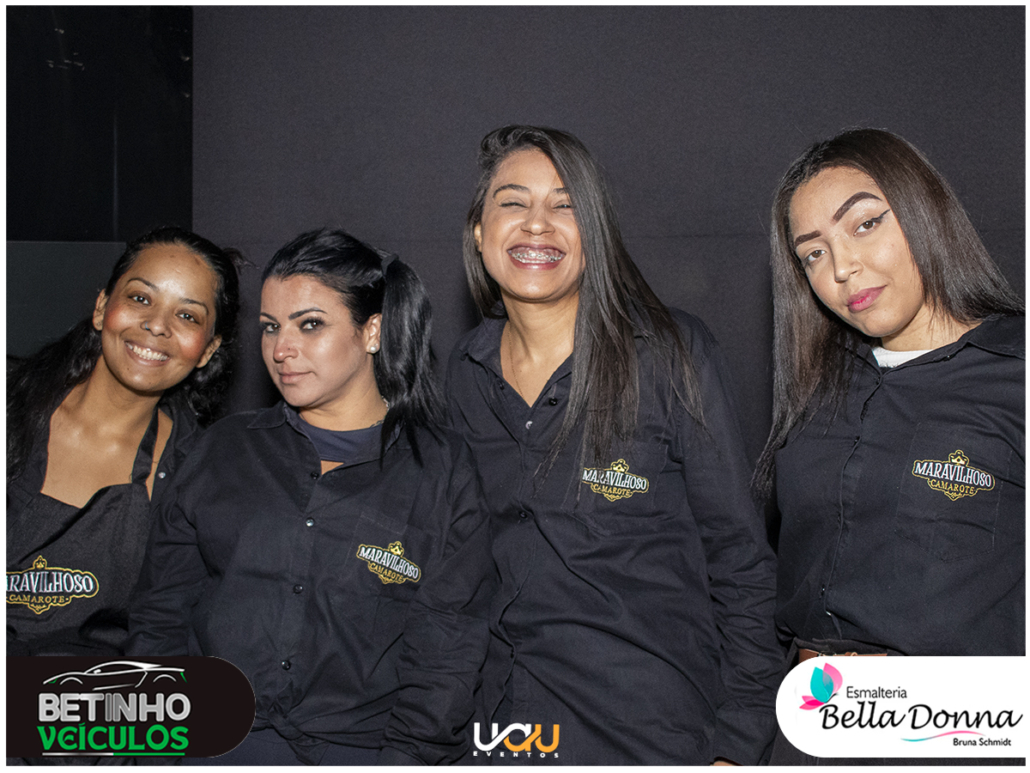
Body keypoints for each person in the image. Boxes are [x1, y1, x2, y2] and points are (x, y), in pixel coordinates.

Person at [381, 126, 782, 765]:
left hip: (648, 732)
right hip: (500, 730)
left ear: (594, 234)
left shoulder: (670, 354)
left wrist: (738, 745)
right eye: (513, 202)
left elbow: (740, 560)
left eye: (564, 205)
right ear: (479, 232)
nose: (537, 224)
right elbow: (453, 578)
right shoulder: (463, 372)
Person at [128, 228, 483, 765]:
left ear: (372, 331)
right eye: (271, 327)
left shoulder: (443, 472)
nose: (281, 350)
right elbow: (160, 616)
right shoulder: (223, 450)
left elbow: (446, 658)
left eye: (310, 324)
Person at [755, 129, 1024, 763]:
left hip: (956, 738)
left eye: (866, 224)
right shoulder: (816, 390)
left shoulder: (1015, 373)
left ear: (925, 211)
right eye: (813, 253)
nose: (841, 268)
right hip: (803, 730)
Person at [7, 226, 240, 657]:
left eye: (187, 316)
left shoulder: (198, 476)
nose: (157, 325)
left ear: (208, 350)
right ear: (101, 308)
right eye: (140, 298)